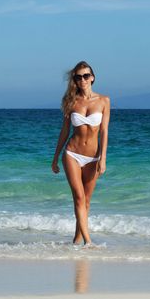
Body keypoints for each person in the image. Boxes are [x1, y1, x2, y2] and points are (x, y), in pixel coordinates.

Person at [52, 61, 110, 245]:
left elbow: (104, 131)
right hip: (72, 154)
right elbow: (64, 131)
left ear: (92, 78)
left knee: (86, 202)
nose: (82, 80)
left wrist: (103, 158)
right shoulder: (71, 101)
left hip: (93, 157)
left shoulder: (104, 101)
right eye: (78, 77)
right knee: (78, 197)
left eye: (86, 76)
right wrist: (55, 158)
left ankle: (76, 240)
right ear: (75, 81)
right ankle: (88, 241)